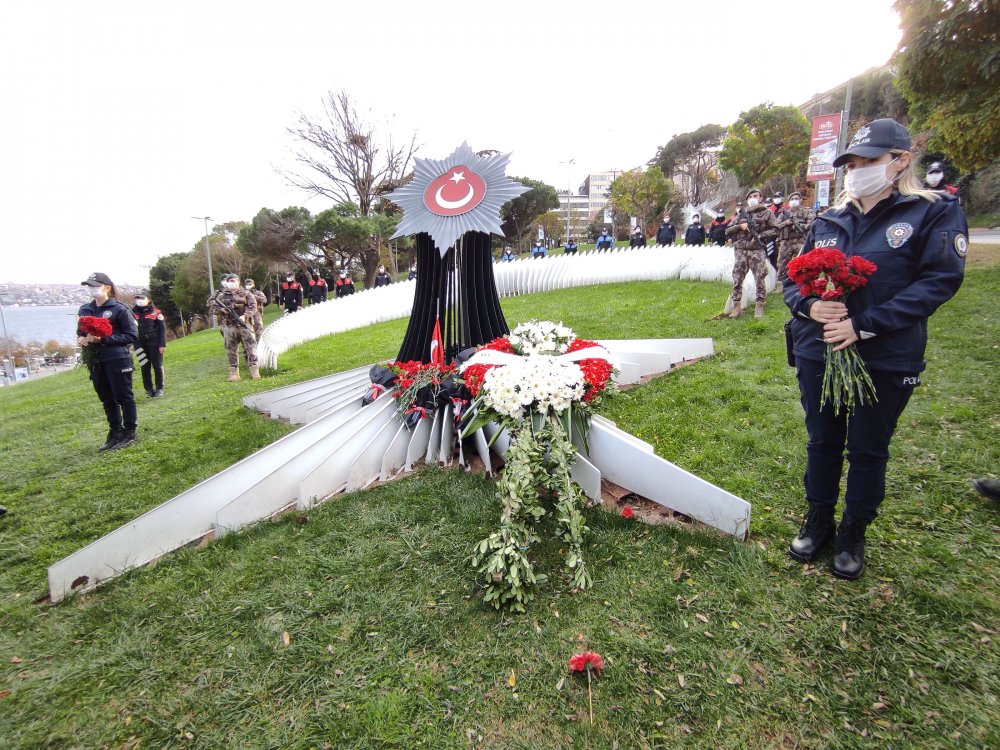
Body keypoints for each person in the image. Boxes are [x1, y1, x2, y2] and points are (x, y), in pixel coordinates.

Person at [784, 117, 966, 580]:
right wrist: (810, 306)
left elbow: (939, 281)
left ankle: (853, 531)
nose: (857, 171)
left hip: (885, 354)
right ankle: (818, 519)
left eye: (869, 161)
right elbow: (792, 280)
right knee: (822, 440)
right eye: (851, 164)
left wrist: (863, 326)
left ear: (900, 161)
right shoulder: (829, 219)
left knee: (868, 448)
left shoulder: (931, 212)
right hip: (820, 350)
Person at [77, 272, 139, 451]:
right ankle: (115, 432)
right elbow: (81, 331)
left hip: (117, 358)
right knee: (106, 398)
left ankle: (129, 432)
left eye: (95, 285)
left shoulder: (120, 309)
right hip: (96, 360)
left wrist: (103, 339)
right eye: (89, 286)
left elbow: (131, 335)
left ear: (107, 287)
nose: (92, 289)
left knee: (124, 396)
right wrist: (81, 338)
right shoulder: (85, 309)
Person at [726, 187, 779, 318]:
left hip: (757, 250)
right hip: (741, 251)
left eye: (755, 196)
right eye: (750, 197)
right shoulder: (741, 214)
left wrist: (760, 235)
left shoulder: (767, 213)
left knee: (759, 278)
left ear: (760, 198)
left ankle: (759, 306)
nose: (753, 199)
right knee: (737, 279)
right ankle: (736, 307)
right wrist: (740, 226)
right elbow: (728, 230)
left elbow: (775, 230)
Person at [208, 273, 260, 382]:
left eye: (233, 281)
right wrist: (221, 310)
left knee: (251, 348)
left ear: (238, 281)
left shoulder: (246, 294)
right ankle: (234, 373)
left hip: (244, 325)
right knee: (231, 350)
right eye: (229, 281)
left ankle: (254, 370)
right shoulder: (221, 296)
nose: (231, 283)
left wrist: (245, 316)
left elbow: (253, 307)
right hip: (229, 326)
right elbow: (213, 308)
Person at [132, 291, 166, 398]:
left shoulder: (156, 313)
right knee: (144, 366)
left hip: (154, 342)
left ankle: (159, 388)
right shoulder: (132, 314)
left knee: (157, 365)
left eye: (142, 298)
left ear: (147, 300)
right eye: (137, 299)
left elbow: (162, 329)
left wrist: (162, 344)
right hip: (139, 343)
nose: (139, 301)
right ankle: (149, 390)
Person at [775, 191, 815, 283]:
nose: (794, 200)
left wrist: (799, 226)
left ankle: (805, 283)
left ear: (800, 200)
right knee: (782, 265)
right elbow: (775, 226)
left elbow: (811, 225)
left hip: (801, 241)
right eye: (792, 199)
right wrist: (786, 223)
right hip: (786, 242)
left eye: (796, 199)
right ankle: (782, 284)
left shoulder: (807, 212)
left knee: (804, 264)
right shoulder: (783, 213)